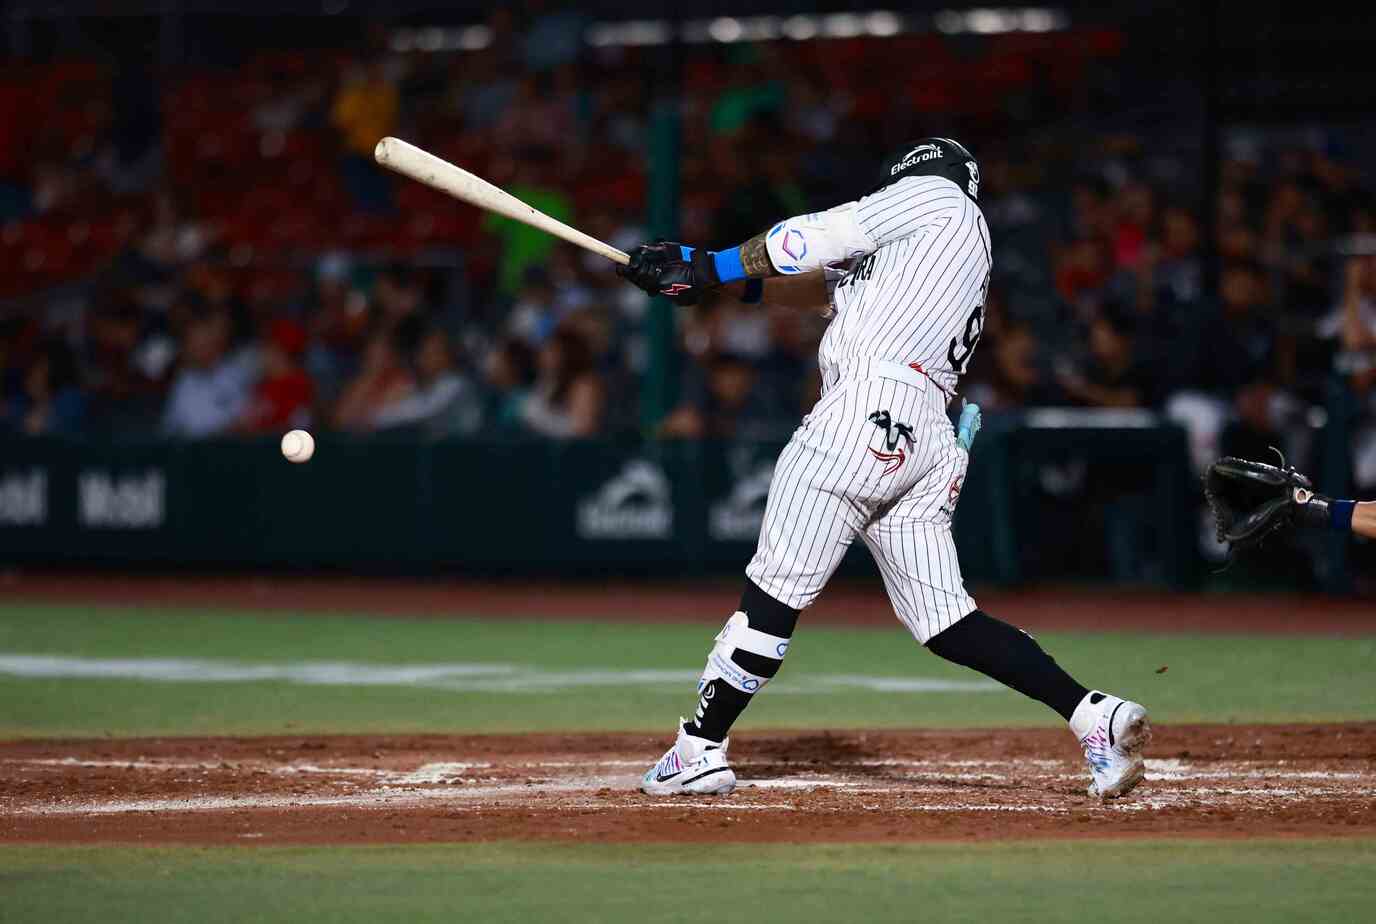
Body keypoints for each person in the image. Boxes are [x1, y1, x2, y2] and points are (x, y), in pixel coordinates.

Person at [617, 137, 1151, 800]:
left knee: (775, 589)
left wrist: (708, 261)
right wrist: (714, 286)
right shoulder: (938, 249)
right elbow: (815, 287)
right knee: (947, 619)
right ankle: (1092, 715)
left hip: (869, 408)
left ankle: (698, 748)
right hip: (926, 436)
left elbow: (807, 238)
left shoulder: (933, 197)